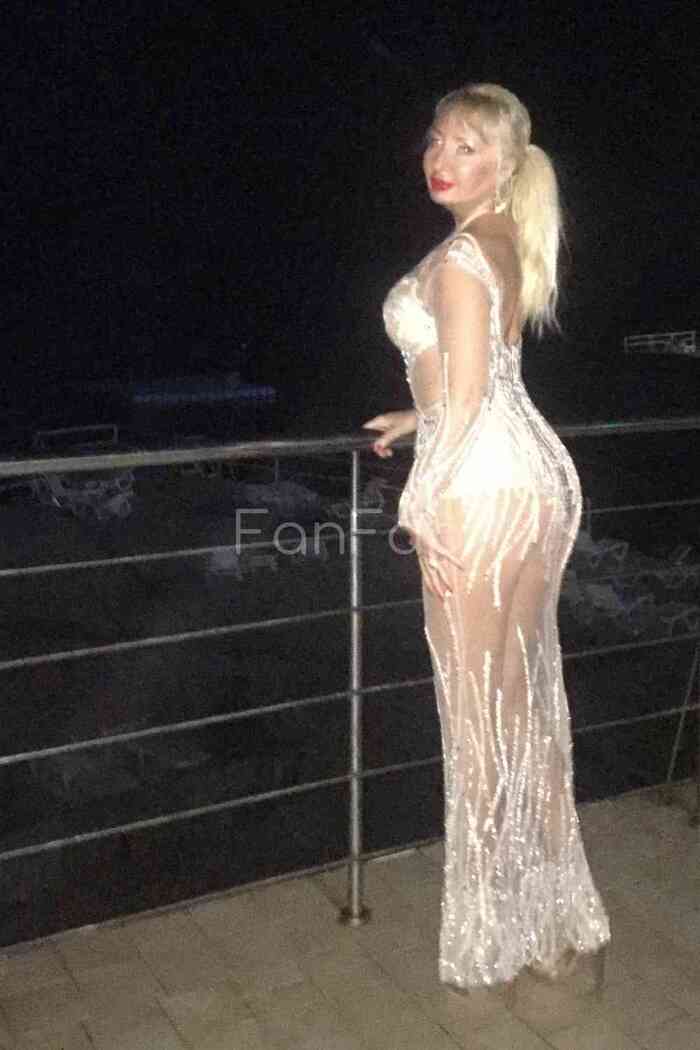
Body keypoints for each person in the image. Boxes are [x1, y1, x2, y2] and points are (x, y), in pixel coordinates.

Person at [363, 83, 610, 995]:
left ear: (504, 163)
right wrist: (417, 417)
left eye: (466, 146)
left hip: (480, 488)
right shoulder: (502, 237)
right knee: (524, 704)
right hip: (527, 478)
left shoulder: (464, 254)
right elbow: (484, 379)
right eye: (436, 140)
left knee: (479, 716)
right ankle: (553, 924)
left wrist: (420, 503)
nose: (440, 158)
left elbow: (468, 401)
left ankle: (507, 932)